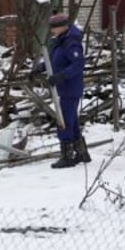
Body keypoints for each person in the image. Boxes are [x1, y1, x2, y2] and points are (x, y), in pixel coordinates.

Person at [43, 12, 90, 168]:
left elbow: (78, 64)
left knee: (63, 122)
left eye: (54, 28)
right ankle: (82, 153)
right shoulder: (61, 41)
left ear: (62, 27)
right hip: (64, 88)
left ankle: (67, 156)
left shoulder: (71, 42)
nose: (52, 31)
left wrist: (61, 76)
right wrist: (40, 68)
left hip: (70, 88)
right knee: (72, 121)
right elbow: (55, 60)